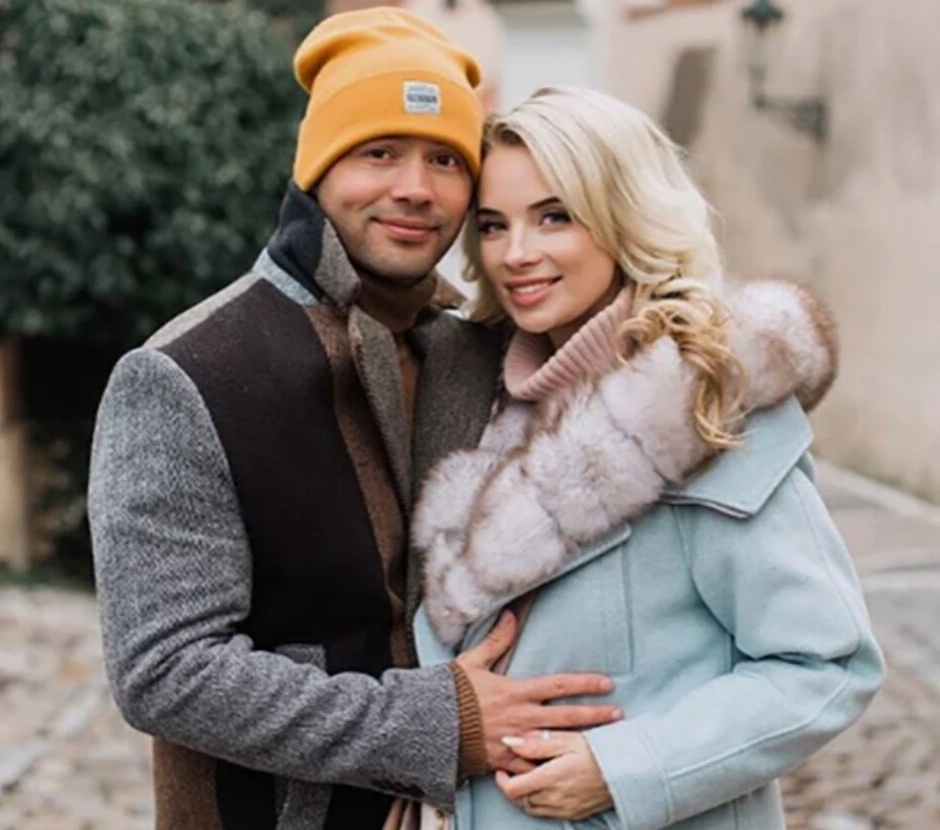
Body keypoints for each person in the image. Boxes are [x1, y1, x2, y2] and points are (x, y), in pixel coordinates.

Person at [88, 15, 622, 830]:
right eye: (379, 152)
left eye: (445, 159)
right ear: (317, 169)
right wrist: (439, 725)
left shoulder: (481, 355)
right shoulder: (189, 372)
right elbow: (164, 671)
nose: (416, 188)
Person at [411, 86, 886, 829]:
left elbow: (826, 663)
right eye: (494, 225)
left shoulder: (702, 407)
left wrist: (627, 769)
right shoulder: (480, 406)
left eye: (555, 216)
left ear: (623, 215)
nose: (517, 254)